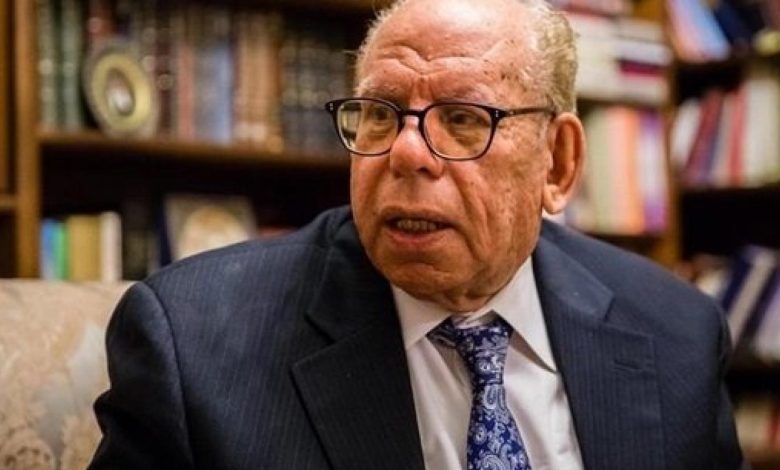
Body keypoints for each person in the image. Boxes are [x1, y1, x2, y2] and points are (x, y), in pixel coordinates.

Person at [88, 0, 747, 468]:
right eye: (380, 113)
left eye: (463, 119)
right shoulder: (192, 348)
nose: (405, 153)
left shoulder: (677, 335)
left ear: (558, 163)